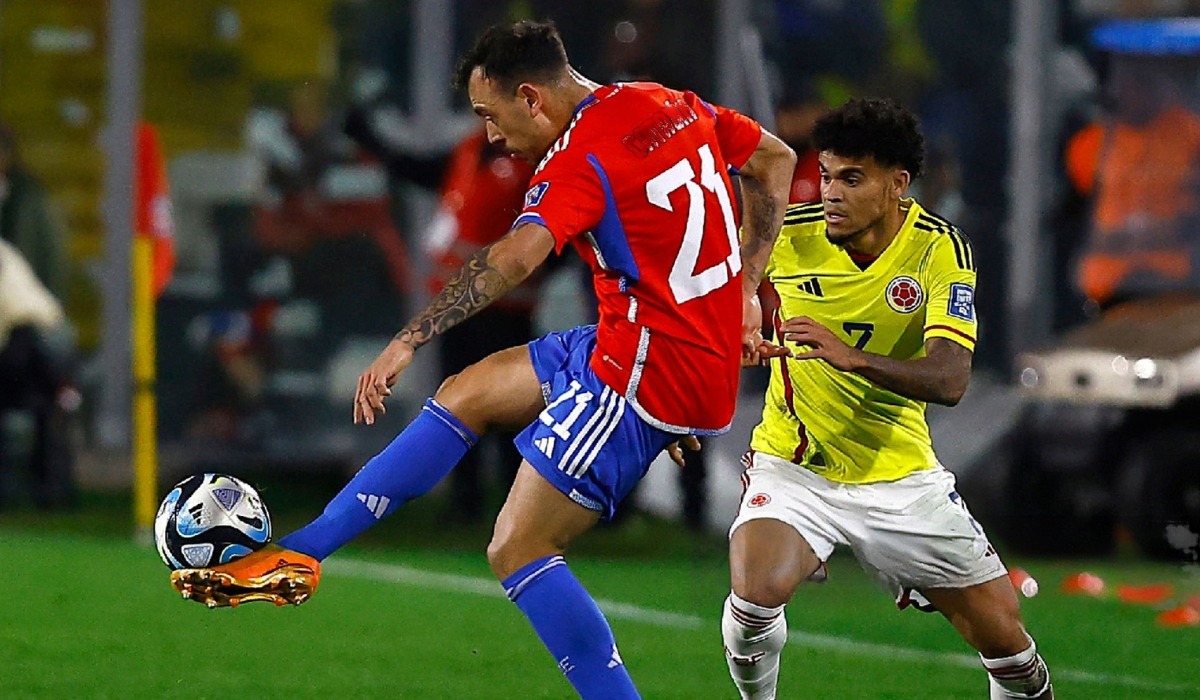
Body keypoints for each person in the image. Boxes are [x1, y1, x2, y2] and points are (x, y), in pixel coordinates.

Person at [171, 19, 796, 699]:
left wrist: (408, 337)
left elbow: (513, 258)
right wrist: (745, 290)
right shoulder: (664, 102)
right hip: (656, 342)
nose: (490, 135)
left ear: (530, 98)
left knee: (518, 547)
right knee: (469, 390)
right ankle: (303, 552)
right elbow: (776, 161)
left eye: (488, 115)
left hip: (646, 371)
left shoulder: (577, 159)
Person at [721, 98, 1053, 700]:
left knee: (1010, 647)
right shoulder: (787, 239)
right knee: (754, 591)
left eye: (852, 178)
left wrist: (853, 357)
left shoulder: (938, 250)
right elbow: (706, 310)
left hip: (900, 478)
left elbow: (951, 379)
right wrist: (734, 338)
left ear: (897, 183)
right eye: (825, 174)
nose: (830, 192)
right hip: (797, 466)